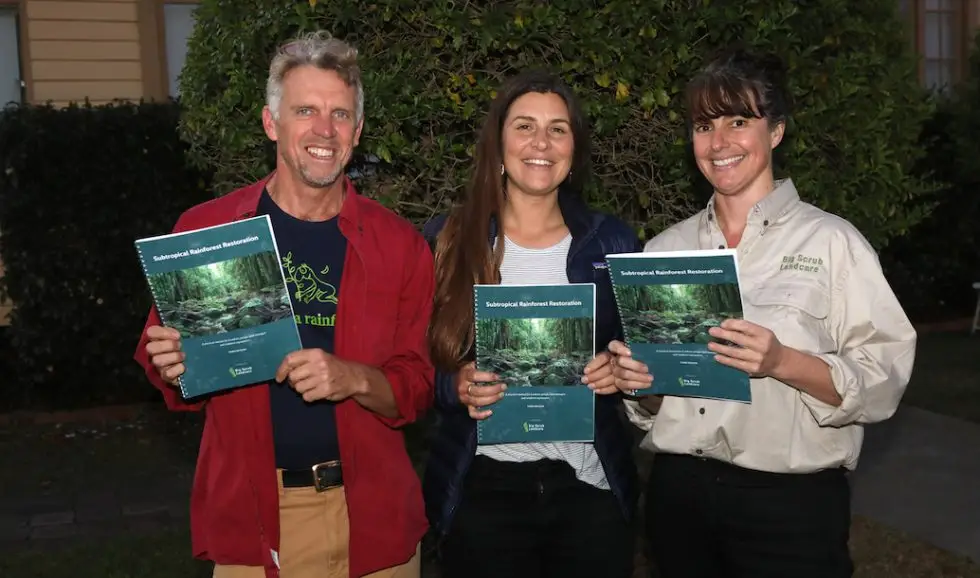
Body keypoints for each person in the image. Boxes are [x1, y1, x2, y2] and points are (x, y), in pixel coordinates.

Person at [133, 31, 434, 578]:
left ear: (357, 131)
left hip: (374, 518)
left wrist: (353, 378)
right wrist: (172, 365)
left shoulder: (399, 245)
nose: (324, 130)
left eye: (340, 114)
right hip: (255, 523)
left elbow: (415, 389)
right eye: (305, 111)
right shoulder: (208, 232)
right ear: (271, 123)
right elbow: (173, 380)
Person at [609, 48, 917, 578]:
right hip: (679, 499)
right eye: (704, 126)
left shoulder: (831, 242)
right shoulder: (664, 250)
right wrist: (640, 384)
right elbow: (657, 405)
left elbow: (884, 379)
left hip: (790, 507)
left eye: (738, 121)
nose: (719, 142)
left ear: (775, 131)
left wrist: (782, 362)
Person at [421, 69, 641, 578]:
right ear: (498, 144)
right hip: (482, 492)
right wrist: (454, 385)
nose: (541, 142)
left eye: (557, 129)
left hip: (588, 491)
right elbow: (411, 366)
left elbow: (644, 364)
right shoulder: (446, 239)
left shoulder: (612, 242)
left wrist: (620, 371)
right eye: (524, 126)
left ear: (573, 150)